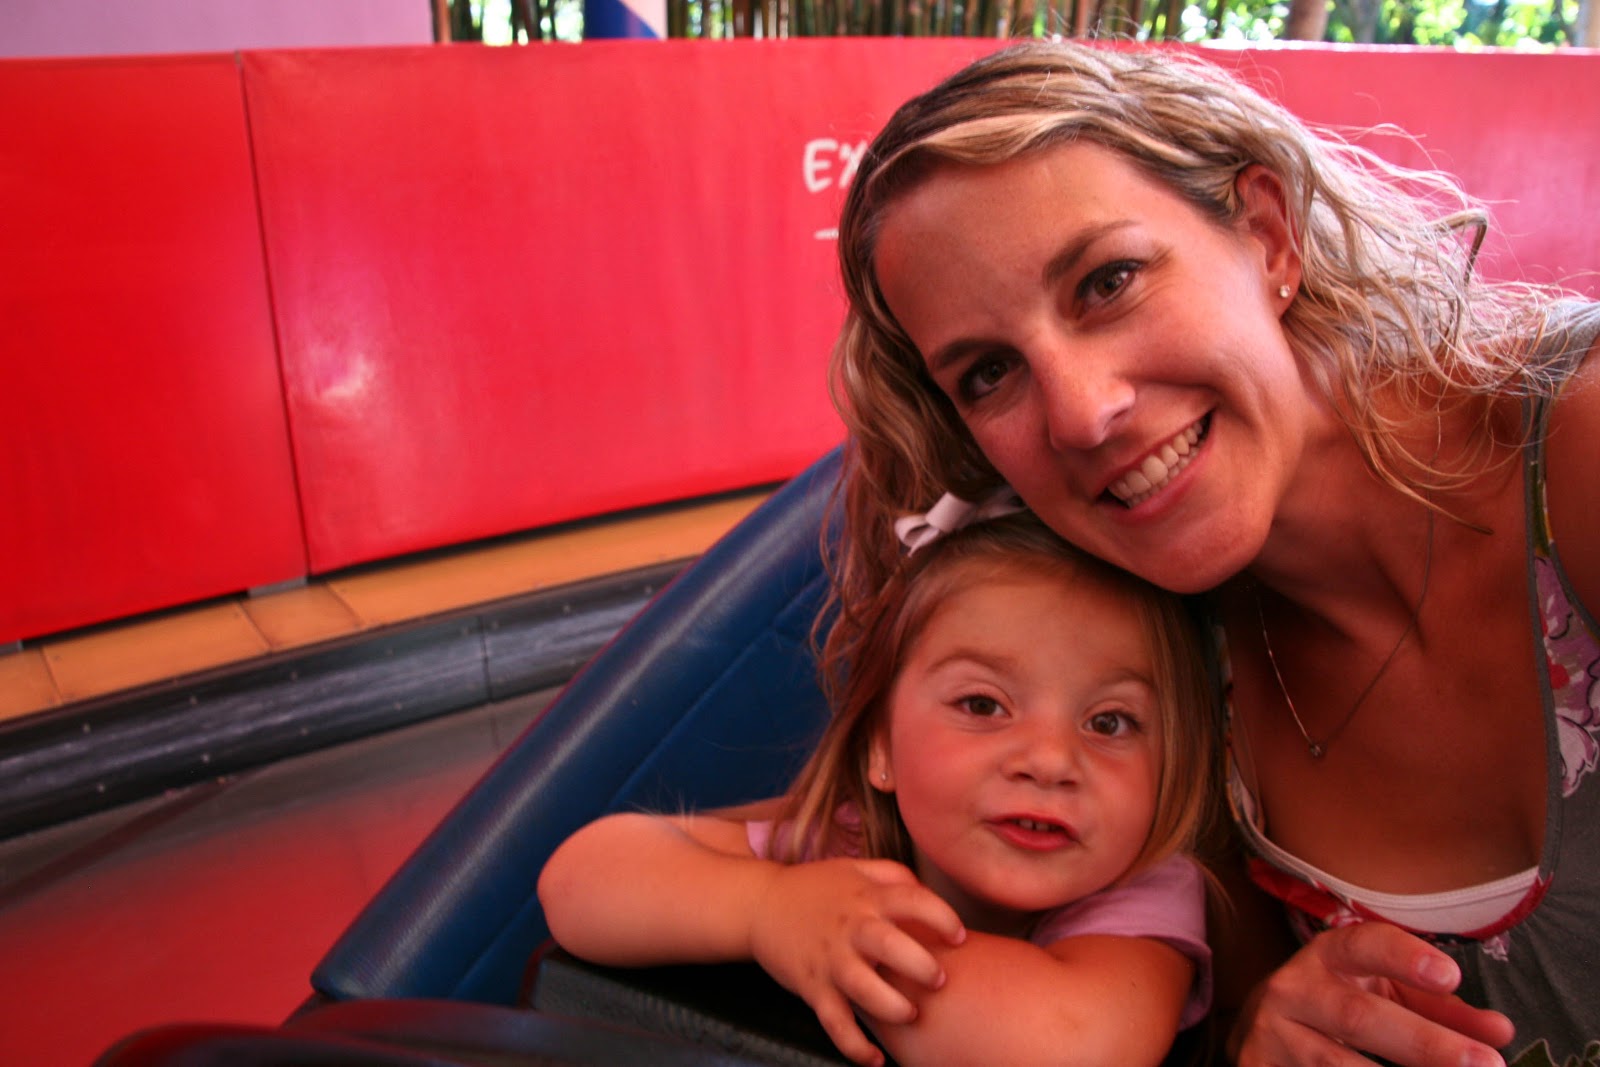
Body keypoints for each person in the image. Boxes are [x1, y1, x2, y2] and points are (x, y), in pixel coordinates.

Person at [825, 38, 1600, 1067]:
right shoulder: (1153, 653)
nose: (1081, 412)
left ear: (1269, 235)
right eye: (989, 373)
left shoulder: (1577, 445)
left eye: (1107, 282)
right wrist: (1263, 1030)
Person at [539, 509, 1218, 1067]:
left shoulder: (1146, 895)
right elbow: (578, 879)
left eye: (1110, 721)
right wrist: (766, 910)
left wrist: (840, 948)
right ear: (880, 746)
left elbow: (1068, 1044)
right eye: (983, 704)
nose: (1049, 760)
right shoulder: (845, 848)